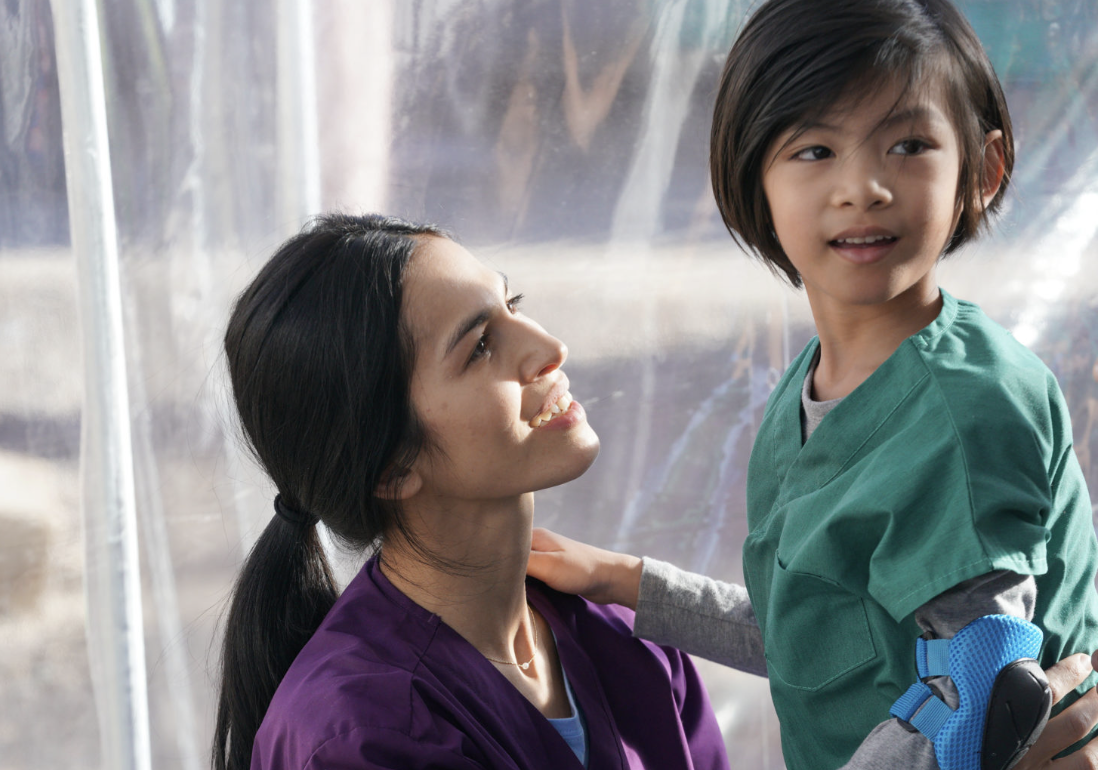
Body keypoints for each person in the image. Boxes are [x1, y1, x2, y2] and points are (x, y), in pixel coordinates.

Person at [527, 1, 1098, 769]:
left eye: (908, 143)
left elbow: (984, 706)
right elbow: (814, 641)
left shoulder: (972, 408)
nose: (862, 187)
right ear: (751, 177)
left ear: (984, 170)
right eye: (814, 150)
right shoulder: (813, 389)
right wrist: (620, 580)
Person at [211, 213, 729, 770]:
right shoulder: (362, 734)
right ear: (391, 468)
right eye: (481, 346)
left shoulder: (626, 639)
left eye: (516, 304)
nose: (551, 347)